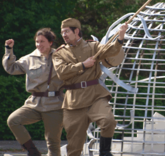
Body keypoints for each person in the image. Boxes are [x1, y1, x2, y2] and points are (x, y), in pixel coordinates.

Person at [52, 18, 127, 156]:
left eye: (67, 31)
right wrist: (83, 65)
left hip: (95, 95)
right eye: (62, 32)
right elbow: (62, 73)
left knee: (108, 121)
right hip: (73, 101)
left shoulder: (93, 47)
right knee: (74, 148)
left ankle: (105, 153)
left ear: (76, 31)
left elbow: (111, 51)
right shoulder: (59, 53)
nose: (64, 35)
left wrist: (120, 37)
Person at [2, 28, 64, 156]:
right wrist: (9, 49)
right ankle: (33, 152)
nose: (39, 44)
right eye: (37, 41)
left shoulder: (61, 55)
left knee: (53, 142)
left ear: (51, 42)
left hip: (55, 104)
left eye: (42, 41)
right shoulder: (29, 58)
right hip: (34, 103)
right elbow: (11, 68)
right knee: (13, 120)